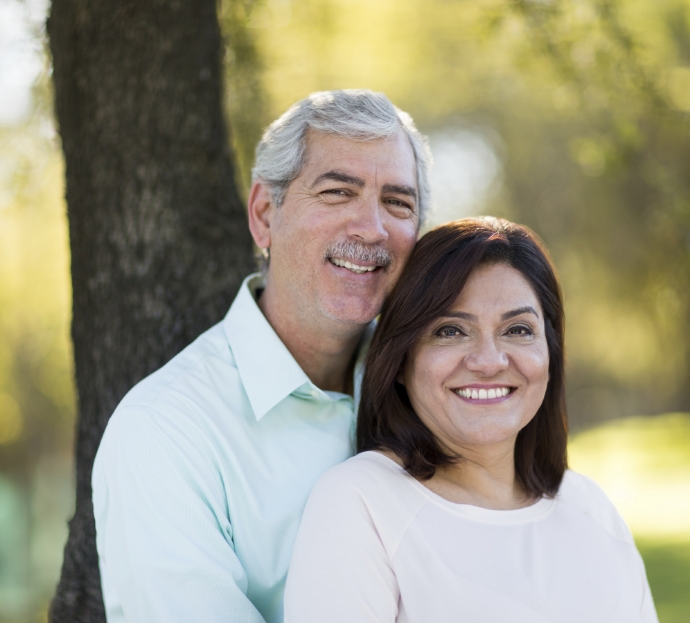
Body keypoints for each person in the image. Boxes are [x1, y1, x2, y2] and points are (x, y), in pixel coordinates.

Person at [91, 89, 432, 623]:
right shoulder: (163, 434)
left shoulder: (435, 392)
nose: (372, 228)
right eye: (339, 192)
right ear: (264, 215)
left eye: (398, 202)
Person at [284, 217, 658, 623]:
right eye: (450, 331)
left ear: (550, 353)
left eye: (517, 329)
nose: (489, 361)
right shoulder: (361, 503)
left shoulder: (591, 510)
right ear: (399, 360)